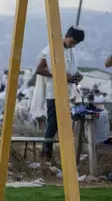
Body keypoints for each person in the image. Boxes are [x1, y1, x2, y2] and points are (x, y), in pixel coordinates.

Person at [34, 26, 85, 158]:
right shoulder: (52, 49)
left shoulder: (71, 51)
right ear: (66, 36)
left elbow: (70, 72)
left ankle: (50, 151)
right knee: (53, 122)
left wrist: (76, 76)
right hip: (53, 92)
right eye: (72, 42)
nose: (73, 45)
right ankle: (46, 152)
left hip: (65, 92)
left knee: (60, 122)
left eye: (76, 44)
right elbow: (39, 70)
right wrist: (60, 75)